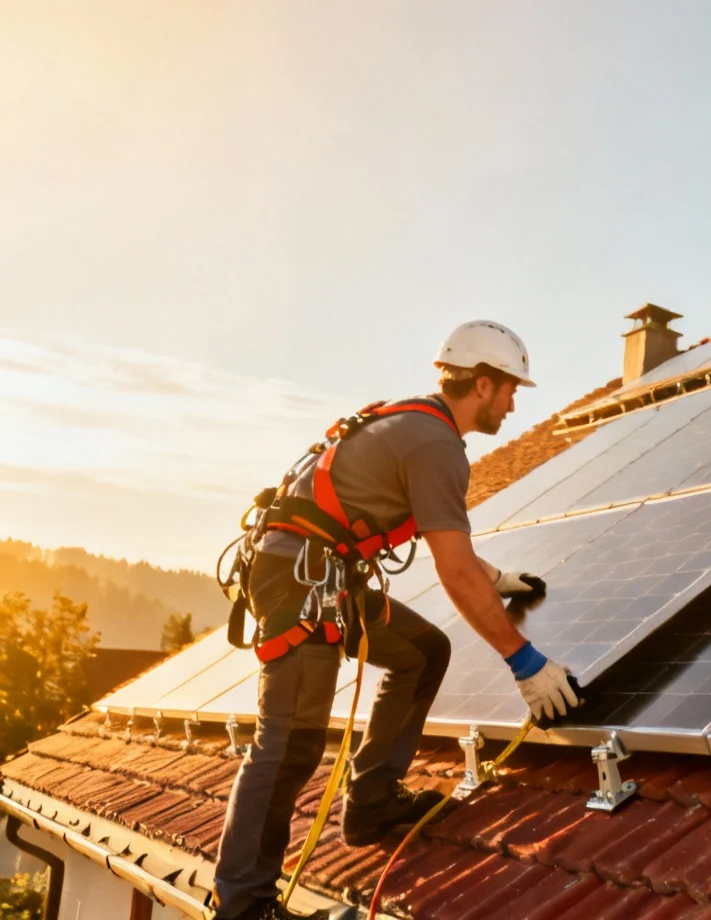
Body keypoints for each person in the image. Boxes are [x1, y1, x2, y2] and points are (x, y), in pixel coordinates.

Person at [212, 321, 581, 920]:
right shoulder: (435, 444)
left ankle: (372, 803)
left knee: (420, 650)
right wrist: (524, 661)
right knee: (289, 745)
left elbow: (455, 551)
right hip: (303, 584)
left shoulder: (413, 422)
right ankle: (243, 906)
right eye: (511, 388)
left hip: (322, 576)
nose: (515, 403)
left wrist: (495, 579)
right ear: (482, 385)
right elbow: (452, 569)